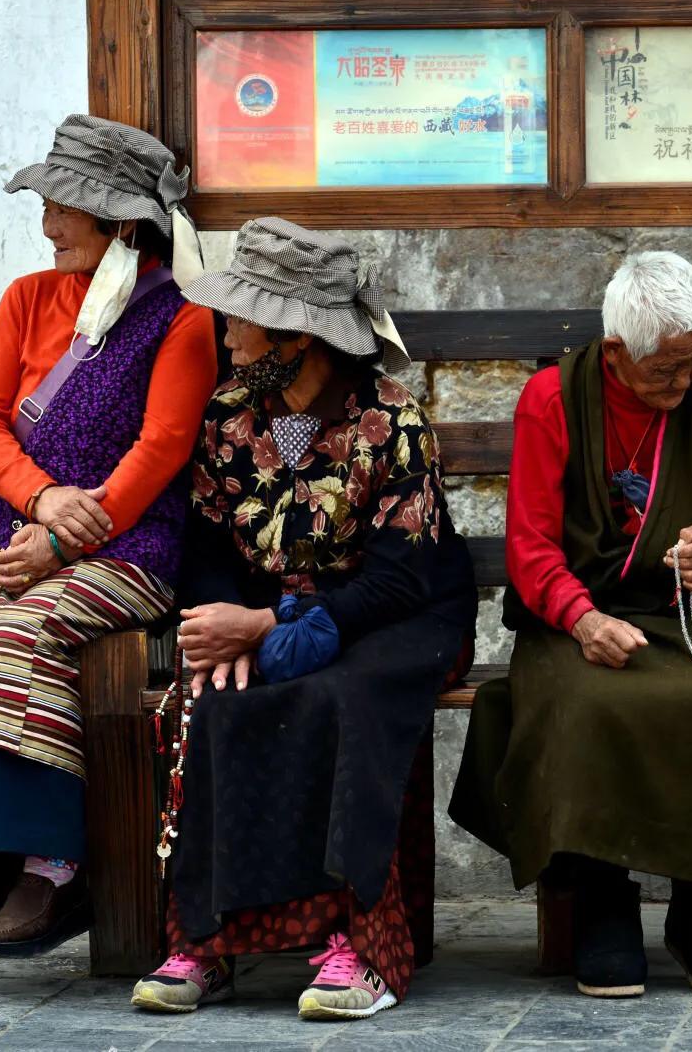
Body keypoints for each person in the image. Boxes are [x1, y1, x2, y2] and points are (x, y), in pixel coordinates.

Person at [0, 116, 216, 1003]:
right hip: (29, 537)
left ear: (122, 225)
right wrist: (39, 502)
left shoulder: (181, 320)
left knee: (18, 635)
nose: (49, 222)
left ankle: (55, 866)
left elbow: (162, 448)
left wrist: (69, 533)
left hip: (130, 548)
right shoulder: (28, 299)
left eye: (66, 208)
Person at [129, 218, 475, 1023]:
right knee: (211, 698)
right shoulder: (229, 417)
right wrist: (233, 621)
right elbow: (211, 544)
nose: (230, 331)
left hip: (397, 615)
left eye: (247, 317)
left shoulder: (394, 423)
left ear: (298, 336)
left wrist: (273, 623)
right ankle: (207, 940)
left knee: (340, 699)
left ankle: (358, 946)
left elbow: (398, 580)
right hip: (273, 612)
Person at [449, 251, 692, 999]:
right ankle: (601, 895)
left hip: (690, 616)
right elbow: (530, 545)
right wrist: (582, 617)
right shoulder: (552, 400)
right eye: (668, 369)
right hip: (571, 620)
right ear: (618, 352)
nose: (685, 382)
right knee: (588, 700)